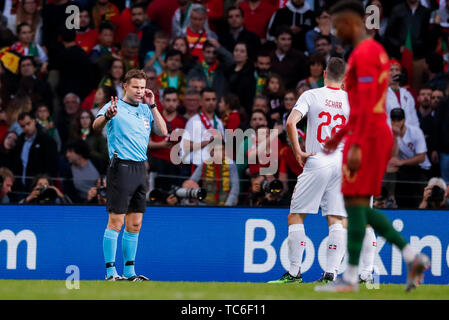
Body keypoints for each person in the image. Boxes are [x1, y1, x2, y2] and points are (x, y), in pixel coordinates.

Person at [317, 1, 429, 293]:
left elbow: (366, 103)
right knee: (356, 205)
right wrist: (340, 137)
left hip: (368, 135)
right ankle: (403, 259)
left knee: (355, 204)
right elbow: (361, 105)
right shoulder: (372, 52)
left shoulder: (364, 53)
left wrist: (354, 144)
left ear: (351, 22)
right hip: (367, 131)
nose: (334, 31)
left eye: (337, 24)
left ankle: (354, 277)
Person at [268, 58, 349, 285]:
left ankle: (295, 272)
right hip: (341, 165)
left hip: (318, 160)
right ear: (344, 78)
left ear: (324, 74)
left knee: (296, 215)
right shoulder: (351, 101)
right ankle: (331, 273)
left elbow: (291, 123)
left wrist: (298, 152)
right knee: (337, 219)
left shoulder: (311, 95)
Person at [92, 69, 167, 281]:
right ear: (125, 86)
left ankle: (129, 272)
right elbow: (95, 126)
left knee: (135, 223)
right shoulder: (113, 106)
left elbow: (162, 131)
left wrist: (153, 105)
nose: (139, 91)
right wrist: (107, 116)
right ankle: (109, 272)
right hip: (121, 167)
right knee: (116, 221)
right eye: (135, 87)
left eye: (142, 87)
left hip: (140, 168)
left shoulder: (145, 109)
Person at [389, 108, 431, 208]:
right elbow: (393, 158)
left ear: (404, 120)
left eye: (399, 120)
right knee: (402, 200)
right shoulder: (390, 133)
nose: (396, 122)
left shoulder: (415, 132)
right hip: (404, 169)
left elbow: (421, 157)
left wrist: (401, 162)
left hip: (421, 169)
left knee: (419, 200)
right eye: (393, 120)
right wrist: (395, 137)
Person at [11, 111, 58, 193]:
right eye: (22, 126)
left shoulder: (47, 141)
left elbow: (52, 167)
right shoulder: (19, 141)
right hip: (20, 186)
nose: (26, 128)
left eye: (28, 124)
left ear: (34, 121)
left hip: (39, 188)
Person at [386, 60, 420, 128]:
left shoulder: (407, 94)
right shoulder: (382, 94)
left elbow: (414, 118)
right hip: (389, 133)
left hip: (407, 134)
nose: (394, 73)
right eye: (391, 70)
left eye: (397, 70)